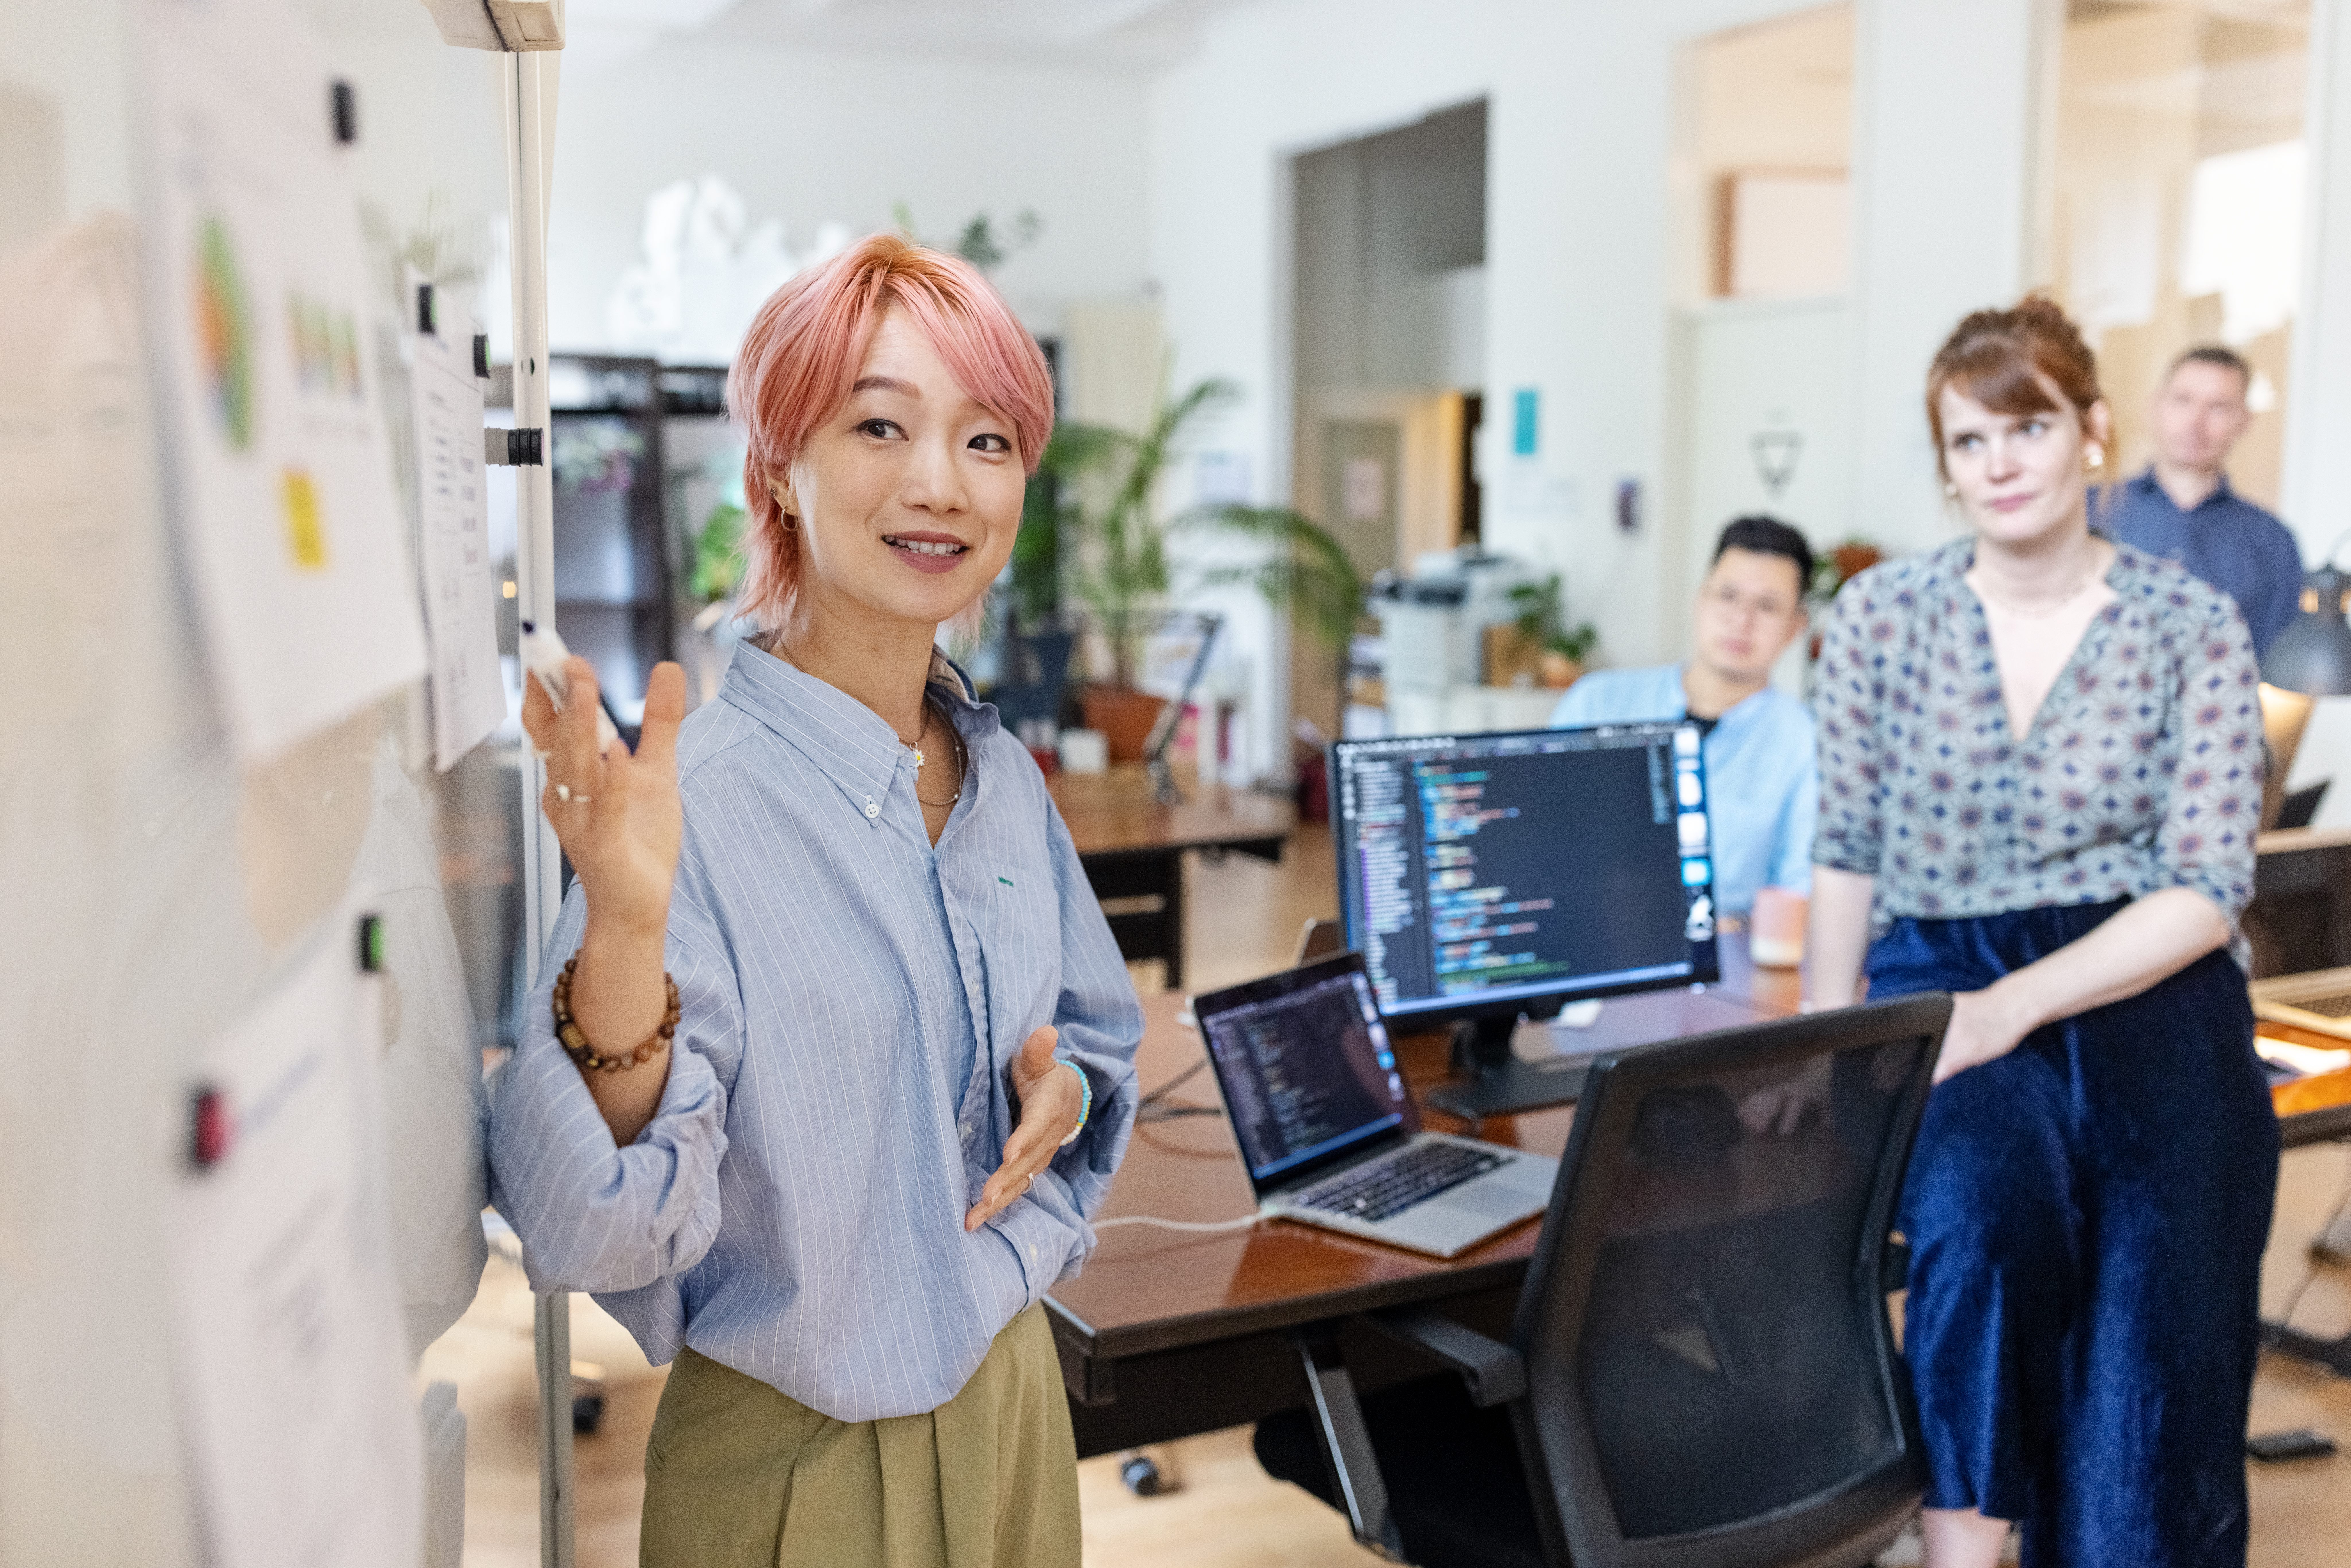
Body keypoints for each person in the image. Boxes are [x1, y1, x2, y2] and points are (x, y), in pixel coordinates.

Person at [486, 234, 1141, 1568]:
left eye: (986, 440)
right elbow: (580, 1221)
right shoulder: (698, 804)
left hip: (1019, 1406)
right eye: (879, 425)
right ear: (777, 467)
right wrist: (624, 931)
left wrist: (1065, 1086)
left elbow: (1093, 1033)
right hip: (803, 1472)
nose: (938, 482)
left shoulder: (1004, 780)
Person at [1805, 297, 2277, 1568]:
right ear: (1946, 466)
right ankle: (1960, 1555)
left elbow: (2205, 885)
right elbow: (1845, 850)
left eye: (2028, 427)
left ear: (2090, 430)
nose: (2000, 462)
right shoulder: (1880, 617)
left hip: (2150, 978)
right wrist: (1822, 1048)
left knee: (2151, 1328)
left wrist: (2011, 1007)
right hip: (1937, 966)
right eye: (1968, 441)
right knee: (1979, 1225)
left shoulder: (2190, 622)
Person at [1547, 515, 1816, 918]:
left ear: (1796, 627)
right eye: (1728, 596)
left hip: (1728, 950)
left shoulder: (1805, 742)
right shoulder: (1595, 703)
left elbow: (1798, 894)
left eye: (1767, 606)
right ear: (1700, 599)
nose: (1742, 620)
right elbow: (1542, 832)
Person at [2102, 345, 2304, 656]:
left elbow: (2278, 666)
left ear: (2244, 421)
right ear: (2156, 406)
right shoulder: (2091, 510)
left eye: (2218, 408)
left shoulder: (2273, 543)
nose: (2195, 422)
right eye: (2183, 400)